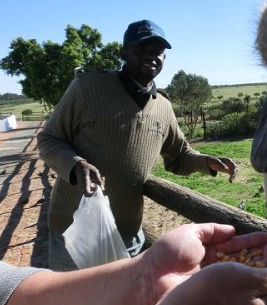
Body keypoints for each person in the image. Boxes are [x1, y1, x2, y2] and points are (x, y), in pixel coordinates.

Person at [37, 20, 237, 271]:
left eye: (158, 51)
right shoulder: (89, 87)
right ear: (123, 52)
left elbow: (179, 156)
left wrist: (205, 161)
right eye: (142, 49)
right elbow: (49, 139)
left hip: (126, 235)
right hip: (74, 231)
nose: (151, 56)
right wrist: (76, 166)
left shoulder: (162, 106)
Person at [0, 223, 267, 305]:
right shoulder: (89, 88)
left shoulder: (159, 105)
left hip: (129, 229)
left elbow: (2, 301)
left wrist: (147, 276)